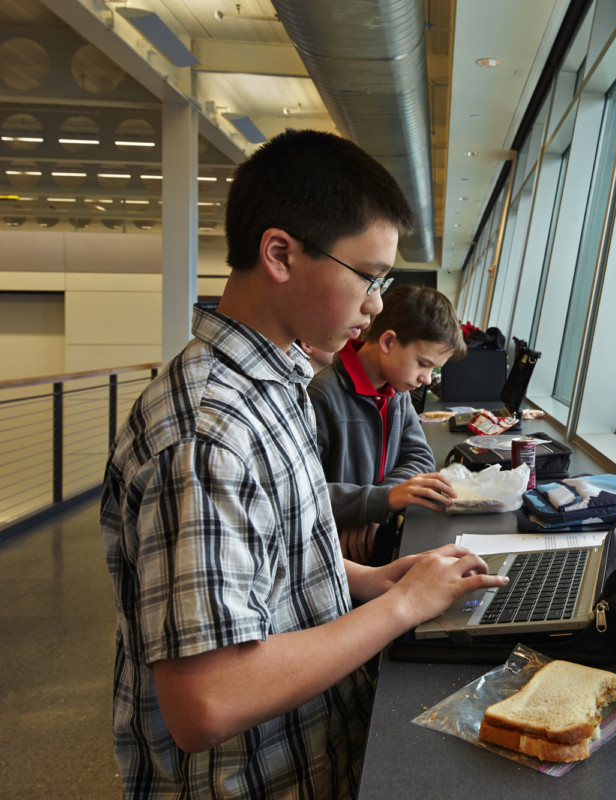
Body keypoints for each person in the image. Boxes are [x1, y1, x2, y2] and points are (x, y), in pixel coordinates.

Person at [99, 129, 507, 799]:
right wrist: (403, 606)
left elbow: (269, 552)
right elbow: (208, 701)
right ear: (281, 254)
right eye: (368, 278)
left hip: (311, 753)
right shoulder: (207, 434)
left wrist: (370, 580)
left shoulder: (277, 382)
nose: (376, 305)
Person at [308, 285, 467, 565]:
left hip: (377, 540)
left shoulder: (397, 392)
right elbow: (301, 493)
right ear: (388, 342)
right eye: (423, 364)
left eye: (433, 370)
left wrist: (378, 505)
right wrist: (378, 502)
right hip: (331, 556)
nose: (427, 380)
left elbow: (420, 457)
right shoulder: (321, 396)